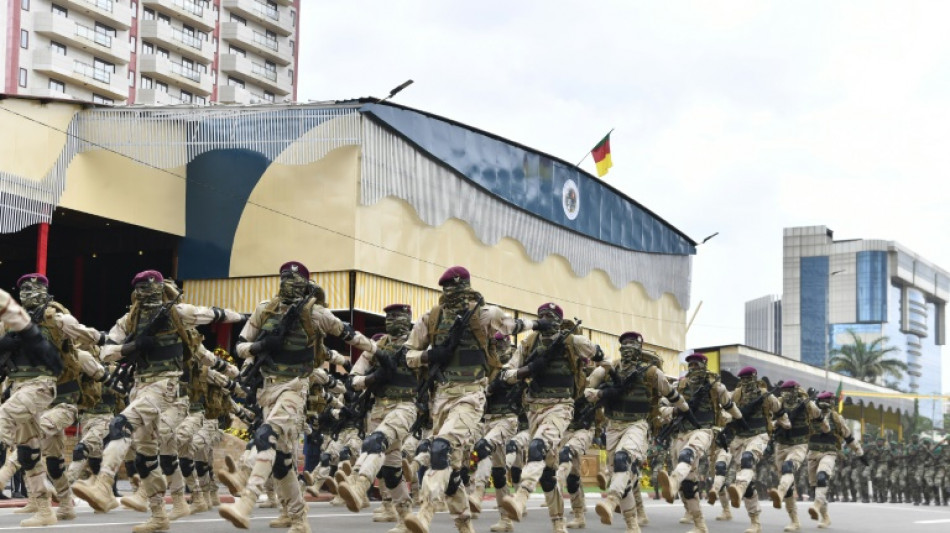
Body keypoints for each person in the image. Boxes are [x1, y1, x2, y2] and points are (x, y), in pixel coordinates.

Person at [72, 269, 244, 533]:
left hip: (167, 385)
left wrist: (244, 319)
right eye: (143, 290)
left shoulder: (177, 313)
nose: (148, 295)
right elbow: (105, 353)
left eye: (153, 289)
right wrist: (133, 346)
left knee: (121, 424)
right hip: (140, 386)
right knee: (146, 455)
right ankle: (159, 514)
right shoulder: (129, 320)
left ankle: (103, 485)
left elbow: (212, 314)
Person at [218, 261, 377, 533]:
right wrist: (261, 345)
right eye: (284, 278)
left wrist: (378, 351)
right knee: (282, 462)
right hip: (267, 389)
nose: (288, 284)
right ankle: (298, 517)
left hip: (295, 386)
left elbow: (348, 334)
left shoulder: (315, 313)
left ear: (305, 284)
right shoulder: (265, 309)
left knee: (265, 435)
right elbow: (240, 346)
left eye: (294, 280)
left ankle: (246, 502)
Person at [401, 266, 532, 533]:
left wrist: (538, 324)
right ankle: (464, 526)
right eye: (449, 288)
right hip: (441, 398)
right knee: (451, 472)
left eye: (458, 288)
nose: (454, 294)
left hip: (471, 394)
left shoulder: (484, 315)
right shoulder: (432, 318)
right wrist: (429, 356)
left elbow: (513, 325)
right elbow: (407, 354)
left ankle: (425, 512)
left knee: (441, 448)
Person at [0, 274, 104, 527]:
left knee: (4, 418)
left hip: (47, 391)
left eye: (33, 288)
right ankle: (50, 508)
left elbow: (90, 337)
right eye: (23, 289)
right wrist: (5, 343)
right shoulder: (11, 323)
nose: (27, 292)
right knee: (36, 455)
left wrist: (106, 339)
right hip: (20, 388)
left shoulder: (56, 319)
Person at [498, 304, 600, 533]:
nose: (545, 319)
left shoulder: (571, 341)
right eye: (541, 316)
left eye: (551, 317)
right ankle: (558, 522)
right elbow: (506, 374)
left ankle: (521, 497)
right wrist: (528, 370)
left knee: (537, 447)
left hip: (561, 407)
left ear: (559, 321)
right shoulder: (529, 343)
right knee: (547, 474)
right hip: (534, 409)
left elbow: (598, 355)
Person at [584, 331, 685, 533]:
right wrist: (593, 393)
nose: (628, 347)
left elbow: (670, 393)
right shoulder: (609, 368)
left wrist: (685, 409)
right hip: (613, 426)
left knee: (622, 460)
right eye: (625, 343)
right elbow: (587, 387)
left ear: (640, 348)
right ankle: (632, 524)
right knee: (623, 476)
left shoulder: (651, 372)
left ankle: (611, 500)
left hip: (637, 425)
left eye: (633, 343)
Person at [338, 303, 420, 533]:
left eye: (398, 316)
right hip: (378, 409)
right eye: (389, 316)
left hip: (405, 406)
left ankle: (359, 484)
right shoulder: (376, 348)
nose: (393, 320)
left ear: (408, 319)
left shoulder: (418, 344)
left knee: (376, 442)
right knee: (391, 472)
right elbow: (352, 380)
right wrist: (373, 378)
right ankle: (406, 519)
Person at [656, 352, 744, 533]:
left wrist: (740, 419)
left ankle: (673, 481)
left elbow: (729, 406)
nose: (693, 367)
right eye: (691, 364)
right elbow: (661, 406)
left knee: (687, 454)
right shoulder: (679, 385)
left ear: (704, 365)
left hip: (704, 430)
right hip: (682, 433)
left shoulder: (716, 387)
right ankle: (700, 524)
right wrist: (674, 411)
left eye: (697, 364)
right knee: (689, 484)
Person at [470, 333, 521, 532]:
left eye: (501, 343)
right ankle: (506, 520)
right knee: (499, 473)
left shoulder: (513, 363)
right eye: (495, 344)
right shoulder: (488, 366)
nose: (498, 347)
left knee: (483, 447)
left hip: (507, 418)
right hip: (489, 419)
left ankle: (478, 491)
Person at [722, 367, 782, 533]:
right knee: (748, 483)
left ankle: (739, 488)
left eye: (749, 378)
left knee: (747, 459)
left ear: (755, 377)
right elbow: (725, 410)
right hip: (739, 439)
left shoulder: (765, 395)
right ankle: (755, 521)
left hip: (759, 436)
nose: (746, 381)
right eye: (743, 378)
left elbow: (779, 410)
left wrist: (782, 423)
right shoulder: (736, 394)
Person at [768, 380, 821, 532]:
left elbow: (818, 415)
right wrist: (777, 423)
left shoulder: (806, 404)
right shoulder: (778, 403)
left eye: (789, 390)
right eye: (783, 390)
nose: (786, 393)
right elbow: (769, 420)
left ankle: (779, 492)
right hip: (781, 445)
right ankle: (794, 520)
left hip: (799, 445)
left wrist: (810, 403)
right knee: (788, 485)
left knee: (788, 468)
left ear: (796, 390)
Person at [806, 391, 863, 528]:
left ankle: (816, 506)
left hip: (829, 453)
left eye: (831, 400)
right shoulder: (810, 415)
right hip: (812, 453)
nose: (830, 403)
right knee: (815, 488)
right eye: (827, 400)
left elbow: (848, 436)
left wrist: (859, 452)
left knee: (822, 477)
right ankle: (825, 517)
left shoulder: (836, 417)